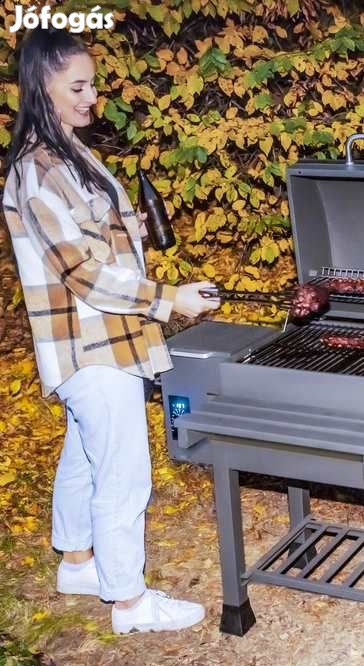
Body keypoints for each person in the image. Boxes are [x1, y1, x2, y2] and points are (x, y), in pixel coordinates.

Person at [2, 28, 220, 634]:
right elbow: (82, 274)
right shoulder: (38, 171)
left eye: (92, 84)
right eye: (77, 86)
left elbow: (88, 241)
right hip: (91, 344)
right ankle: (129, 601)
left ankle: (77, 562)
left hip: (103, 338)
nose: (91, 97)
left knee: (84, 454)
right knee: (123, 473)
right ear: (41, 85)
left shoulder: (68, 153)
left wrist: (130, 234)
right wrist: (170, 299)